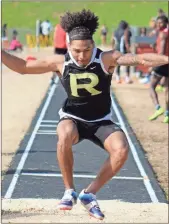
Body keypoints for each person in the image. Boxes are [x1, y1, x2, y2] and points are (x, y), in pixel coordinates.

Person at [2, 10, 168, 220]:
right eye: (77, 50)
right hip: (73, 118)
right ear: (69, 46)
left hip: (101, 121)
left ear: (93, 44)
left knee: (122, 150)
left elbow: (140, 58)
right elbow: (23, 67)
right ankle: (69, 190)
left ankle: (89, 194)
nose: (82, 56)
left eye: (87, 50)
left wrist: (166, 59)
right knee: (64, 133)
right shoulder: (60, 62)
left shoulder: (106, 58)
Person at [149, 16, 169, 123]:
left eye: (160, 23)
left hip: (162, 62)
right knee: (166, 89)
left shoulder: (163, 34)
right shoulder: (163, 32)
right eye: (157, 23)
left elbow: (161, 52)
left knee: (151, 86)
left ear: (166, 23)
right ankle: (167, 114)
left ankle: (158, 108)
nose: (158, 25)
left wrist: (153, 63)